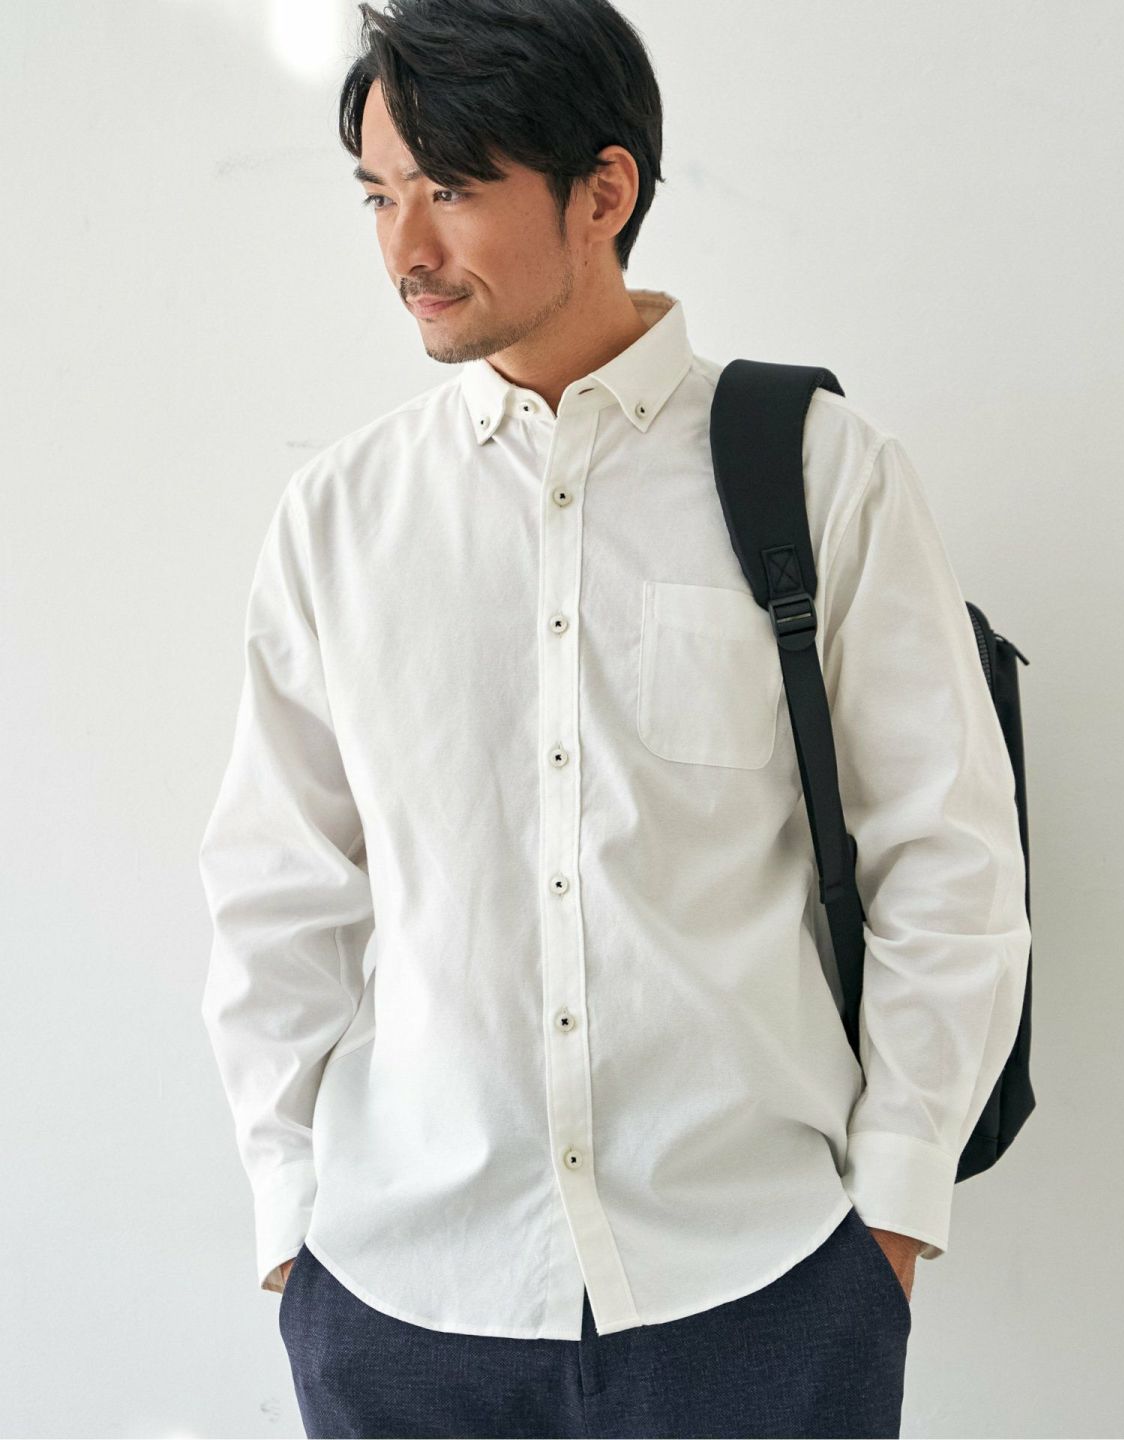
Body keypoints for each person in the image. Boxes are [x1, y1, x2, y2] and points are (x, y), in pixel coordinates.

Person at [198, 1, 1031, 1436]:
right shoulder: (340, 518)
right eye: (380, 196)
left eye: (450, 191)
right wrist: (291, 1218)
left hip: (761, 1292)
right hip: (405, 1303)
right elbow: (280, 886)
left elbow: (948, 856)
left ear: (603, 193)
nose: (405, 250)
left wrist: (890, 1222)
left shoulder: (821, 476)